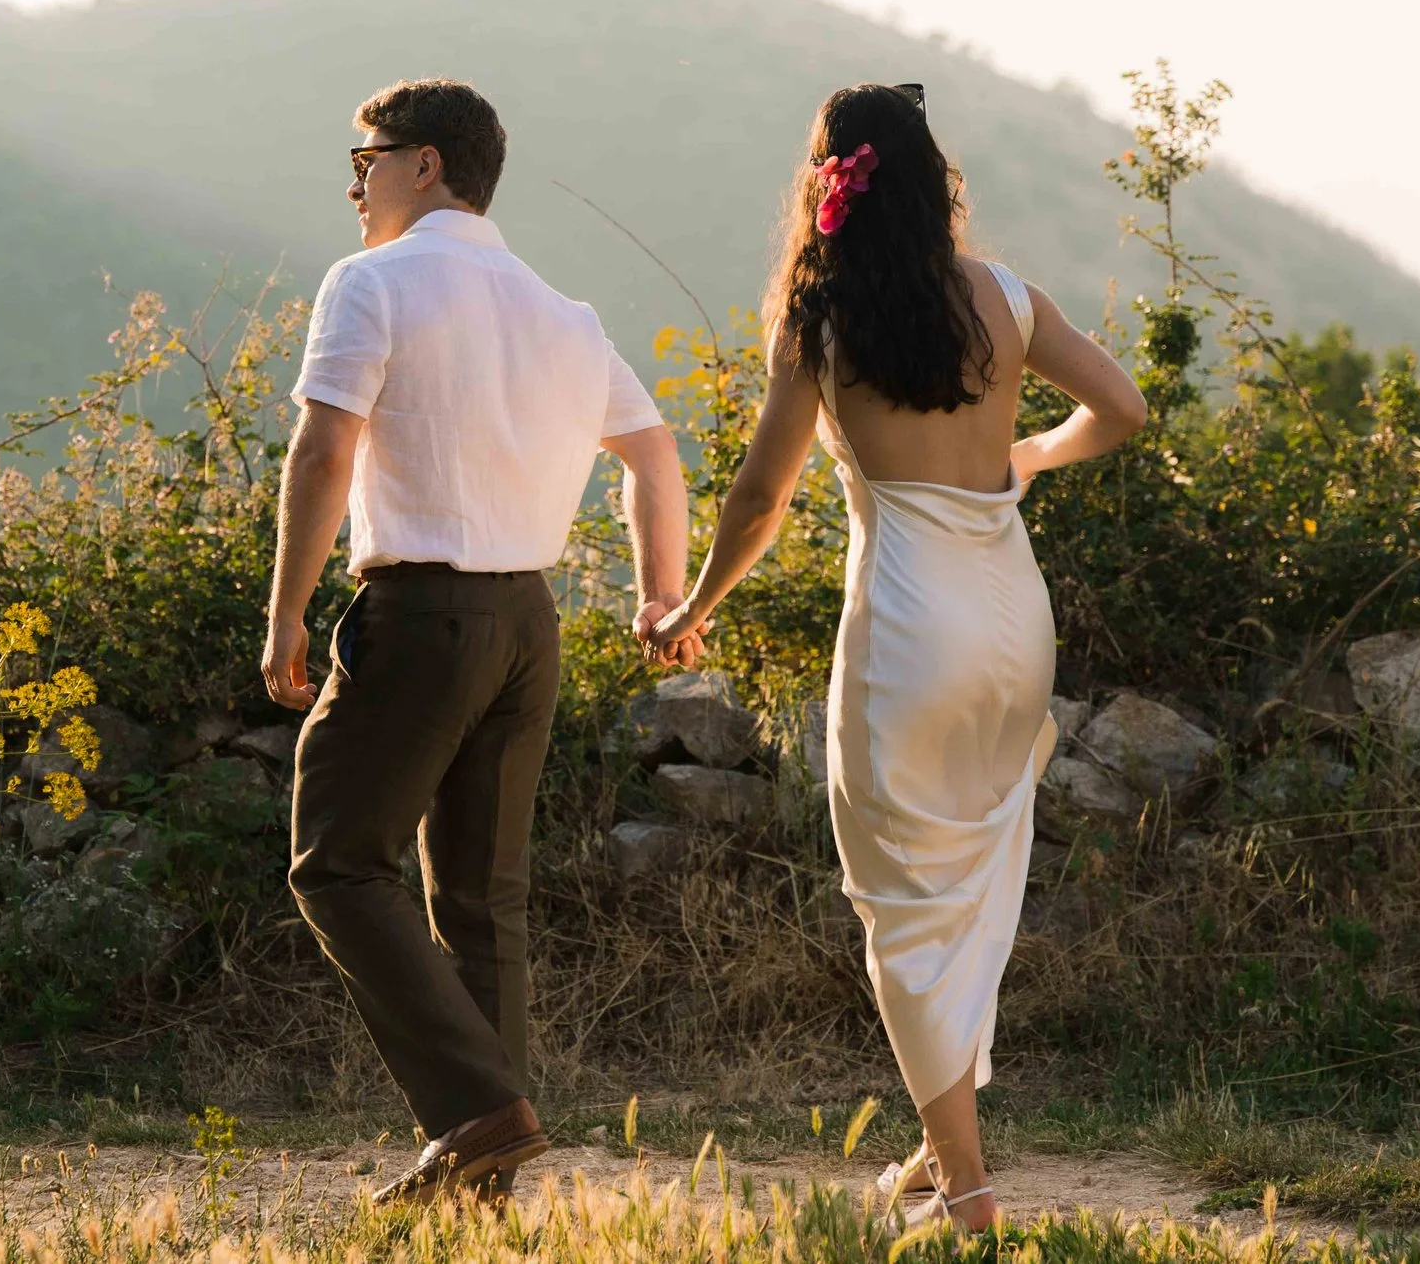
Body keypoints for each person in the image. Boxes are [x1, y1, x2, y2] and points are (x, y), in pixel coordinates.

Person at [650, 83, 1146, 1231]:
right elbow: (1118, 407)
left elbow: (762, 493)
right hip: (1013, 621)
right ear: (932, 179)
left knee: (899, 901)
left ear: (830, 184)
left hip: (908, 631)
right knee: (966, 880)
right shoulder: (1008, 298)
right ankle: (939, 1147)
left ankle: (967, 1191)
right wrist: (1023, 454)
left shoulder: (819, 322)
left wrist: (693, 603)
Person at [262, 77, 694, 1204]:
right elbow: (655, 456)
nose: (352, 179)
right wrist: (659, 595)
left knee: (337, 859)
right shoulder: (564, 313)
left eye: (366, 155)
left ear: (427, 164)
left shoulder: (371, 281)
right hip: (526, 623)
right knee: (480, 896)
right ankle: (481, 1178)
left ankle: (472, 1112)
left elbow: (321, 454)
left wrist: (286, 609)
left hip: (418, 614)